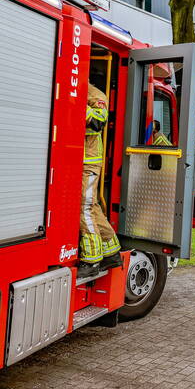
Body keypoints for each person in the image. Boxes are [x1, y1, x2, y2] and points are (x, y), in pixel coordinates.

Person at [79, 84, 123, 275]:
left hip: (89, 162)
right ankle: (111, 252)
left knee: (83, 207)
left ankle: (92, 261)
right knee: (92, 206)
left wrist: (78, 103)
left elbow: (98, 122)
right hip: (79, 160)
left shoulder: (95, 95)